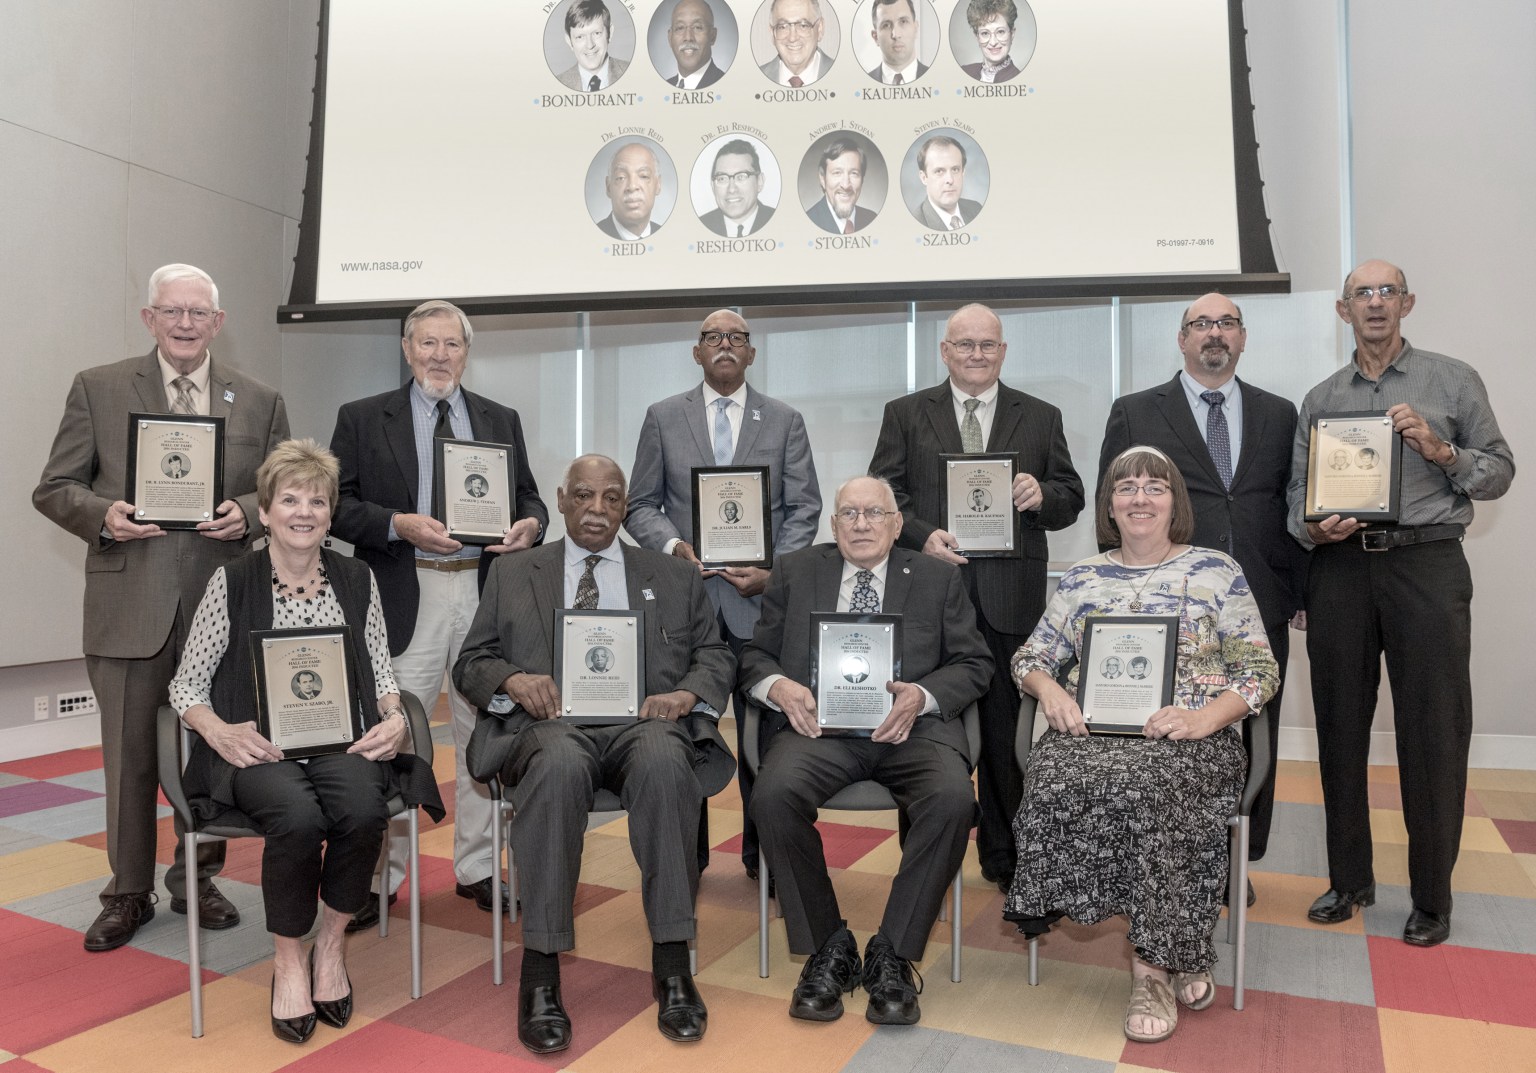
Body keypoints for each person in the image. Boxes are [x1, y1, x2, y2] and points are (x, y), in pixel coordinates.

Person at [34, 263, 288, 952]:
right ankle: (127, 889)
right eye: (170, 311)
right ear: (149, 318)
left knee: (213, 754)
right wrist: (105, 515)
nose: (183, 323)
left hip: (224, 609)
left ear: (217, 322)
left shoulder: (260, 400)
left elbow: (283, 491)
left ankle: (195, 878)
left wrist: (249, 514)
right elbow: (54, 486)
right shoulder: (100, 386)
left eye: (197, 312)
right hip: (129, 605)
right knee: (129, 758)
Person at [455, 454, 736, 1053]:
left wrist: (686, 693)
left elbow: (715, 656)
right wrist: (511, 681)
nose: (597, 510)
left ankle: (673, 964)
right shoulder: (514, 572)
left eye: (612, 498)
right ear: (561, 500)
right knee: (557, 769)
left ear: (625, 506)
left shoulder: (674, 575)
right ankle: (540, 971)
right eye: (584, 496)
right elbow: (472, 661)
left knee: (666, 764)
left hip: (643, 724)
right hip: (551, 727)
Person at [169, 440, 441, 1044]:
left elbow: (380, 666)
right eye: (288, 499)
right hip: (259, 745)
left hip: (342, 741)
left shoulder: (356, 577)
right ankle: (288, 958)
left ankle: (330, 944)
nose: (303, 511)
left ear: (329, 513)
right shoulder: (231, 581)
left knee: (362, 809)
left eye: (317, 500)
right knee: (295, 816)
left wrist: (395, 716)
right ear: (264, 512)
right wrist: (215, 728)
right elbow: (187, 683)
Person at [1006, 445, 1279, 1043]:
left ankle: (1151, 968)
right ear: (1109, 505)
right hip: (1093, 736)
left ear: (1174, 502)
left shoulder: (1217, 571)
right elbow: (1030, 656)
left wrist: (1205, 719)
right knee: (1061, 776)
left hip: (1190, 738)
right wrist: (1050, 691)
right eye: (1126, 487)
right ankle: (1183, 943)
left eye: (1154, 487)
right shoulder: (1082, 577)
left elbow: (1259, 671)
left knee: (1154, 786)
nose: (1139, 497)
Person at [1287, 259, 1514, 948]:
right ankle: (1349, 877)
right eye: (1363, 293)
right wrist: (1312, 525)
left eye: (1387, 292)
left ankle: (1431, 896)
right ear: (1342, 311)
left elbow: (1498, 469)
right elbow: (1295, 497)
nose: (1376, 303)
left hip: (1427, 562)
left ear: (1407, 303)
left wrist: (1442, 450)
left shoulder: (1452, 378)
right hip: (1341, 571)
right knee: (1340, 726)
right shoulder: (1322, 397)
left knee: (1433, 732)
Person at [741, 476, 992, 1026]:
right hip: (819, 731)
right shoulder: (797, 571)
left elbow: (975, 664)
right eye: (849, 513)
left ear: (897, 524)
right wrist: (779, 687)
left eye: (874, 513)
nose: (860, 523)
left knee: (952, 800)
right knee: (774, 794)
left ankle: (893, 954)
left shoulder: (935, 579)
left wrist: (922, 696)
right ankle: (828, 945)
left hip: (913, 731)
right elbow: (755, 656)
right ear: (833, 525)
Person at [329, 300, 547, 927]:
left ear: (466, 352)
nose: (439, 356)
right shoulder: (364, 418)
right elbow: (337, 506)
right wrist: (398, 525)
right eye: (427, 343)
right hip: (404, 591)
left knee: (486, 730)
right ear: (406, 348)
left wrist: (531, 522)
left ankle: (479, 866)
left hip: (483, 595)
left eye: (451, 345)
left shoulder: (498, 418)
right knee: (391, 735)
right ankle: (379, 877)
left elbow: (528, 492)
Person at [870, 302, 1084, 892]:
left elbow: (1072, 497)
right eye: (965, 345)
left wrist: (1043, 493)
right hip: (929, 599)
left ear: (1003, 351)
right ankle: (923, 861)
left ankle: (1008, 858)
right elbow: (883, 495)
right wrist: (920, 536)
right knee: (919, 728)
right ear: (945, 351)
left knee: (1005, 737)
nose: (976, 354)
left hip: (1010, 598)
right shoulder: (906, 414)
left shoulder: (1040, 416)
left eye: (988, 345)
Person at [1098, 292, 1306, 878]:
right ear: (1182, 338)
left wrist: (1301, 590)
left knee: (1252, 729)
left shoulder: (1278, 411)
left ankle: (1238, 862)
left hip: (1260, 597)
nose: (1214, 333)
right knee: (1173, 728)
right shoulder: (1137, 410)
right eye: (1201, 324)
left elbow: (1292, 506)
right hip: (1168, 608)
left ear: (1242, 338)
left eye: (1227, 323)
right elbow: (1109, 501)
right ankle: (1167, 856)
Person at [628, 310, 821, 880]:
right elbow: (640, 504)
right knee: (689, 732)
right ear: (697, 352)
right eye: (714, 337)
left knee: (767, 729)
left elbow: (804, 507)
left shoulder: (784, 419)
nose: (726, 345)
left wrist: (774, 570)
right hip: (685, 605)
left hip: (759, 603)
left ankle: (766, 857)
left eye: (737, 338)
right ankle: (687, 854)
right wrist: (673, 549)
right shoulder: (663, 417)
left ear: (752, 354)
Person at [700, 140, 776, 237]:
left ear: (759, 181)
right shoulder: (697, 227)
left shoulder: (781, 223)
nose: (731, 189)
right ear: (713, 186)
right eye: (722, 178)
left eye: (741, 177)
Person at [806, 138, 878, 235]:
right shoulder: (807, 222)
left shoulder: (873, 219)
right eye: (837, 173)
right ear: (823, 179)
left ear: (862, 179)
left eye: (854, 173)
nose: (845, 185)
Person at [597, 142, 666, 240]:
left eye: (643, 176)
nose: (632, 186)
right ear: (608, 187)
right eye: (621, 178)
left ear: (658, 185)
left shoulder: (669, 238)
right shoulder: (590, 238)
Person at [556, 0, 628, 91]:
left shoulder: (635, 75)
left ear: (610, 33)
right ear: (569, 41)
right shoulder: (555, 85)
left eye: (596, 33)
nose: (590, 45)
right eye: (580, 37)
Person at [913, 135, 981, 232]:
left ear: (963, 173)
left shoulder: (976, 208)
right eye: (939, 171)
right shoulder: (915, 223)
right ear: (924, 178)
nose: (950, 180)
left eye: (955, 169)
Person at [760, 0, 833, 87]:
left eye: (803, 25)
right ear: (772, 33)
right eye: (783, 27)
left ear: (820, 29)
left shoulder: (845, 76)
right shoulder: (752, 80)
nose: (792, 38)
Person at [664, 0, 725, 87]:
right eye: (680, 28)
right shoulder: (662, 88)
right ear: (670, 38)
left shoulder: (728, 86)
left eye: (697, 27)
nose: (688, 37)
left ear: (712, 36)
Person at [960, 0, 1023, 83]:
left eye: (1000, 32)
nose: (993, 42)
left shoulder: (1019, 80)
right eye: (985, 33)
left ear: (1012, 34)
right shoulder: (964, 72)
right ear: (977, 37)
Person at [867, 0, 928, 84]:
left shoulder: (940, 80)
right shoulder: (859, 84)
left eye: (903, 21)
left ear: (915, 29)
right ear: (875, 37)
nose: (896, 34)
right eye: (886, 25)